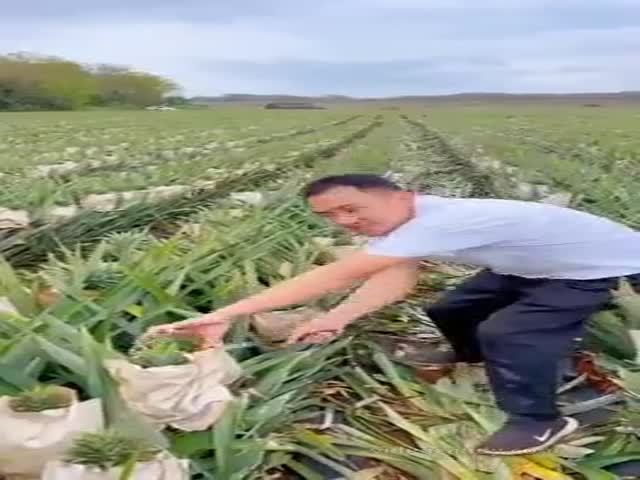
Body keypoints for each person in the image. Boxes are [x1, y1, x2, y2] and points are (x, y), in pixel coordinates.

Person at [149, 173, 640, 456]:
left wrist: (228, 312)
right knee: (452, 306)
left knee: (510, 333)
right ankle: (469, 353)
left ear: (401, 196)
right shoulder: (411, 222)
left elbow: (334, 276)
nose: (345, 222)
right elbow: (396, 278)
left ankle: (539, 420)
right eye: (331, 218)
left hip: (597, 267)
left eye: (351, 209)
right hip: (532, 264)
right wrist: (339, 318)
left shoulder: (443, 219)